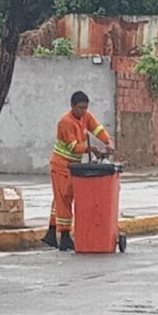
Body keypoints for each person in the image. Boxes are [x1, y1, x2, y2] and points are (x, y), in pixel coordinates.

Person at [42, 91, 114, 251]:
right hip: (60, 165)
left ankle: (51, 232)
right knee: (64, 200)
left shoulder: (86, 117)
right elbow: (74, 146)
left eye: (85, 108)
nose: (83, 111)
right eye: (80, 108)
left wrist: (107, 141)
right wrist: (92, 148)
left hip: (73, 166)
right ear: (73, 106)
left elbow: (97, 128)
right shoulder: (65, 122)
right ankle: (65, 235)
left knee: (61, 200)